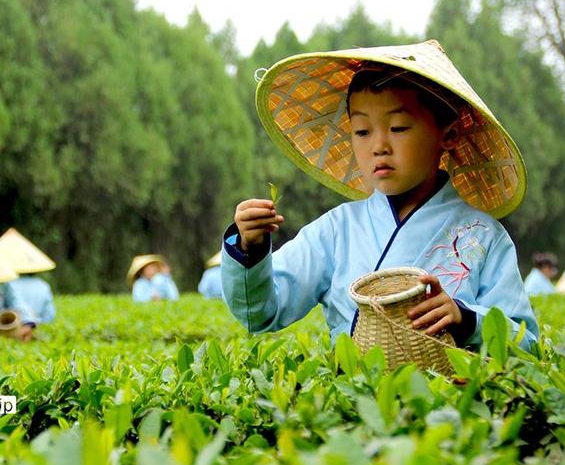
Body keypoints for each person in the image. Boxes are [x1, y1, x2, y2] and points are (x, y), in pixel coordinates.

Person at [223, 40, 538, 350]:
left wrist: (467, 320)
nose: (378, 146)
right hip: (354, 397)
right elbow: (261, 312)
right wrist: (250, 247)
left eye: (398, 127)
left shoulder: (484, 237)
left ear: (449, 134)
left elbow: (528, 343)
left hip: (451, 397)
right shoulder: (336, 231)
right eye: (362, 131)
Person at [0, 228, 56, 324]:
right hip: (33, 329)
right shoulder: (43, 285)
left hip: (8, 331)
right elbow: (49, 317)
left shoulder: (3, 285)